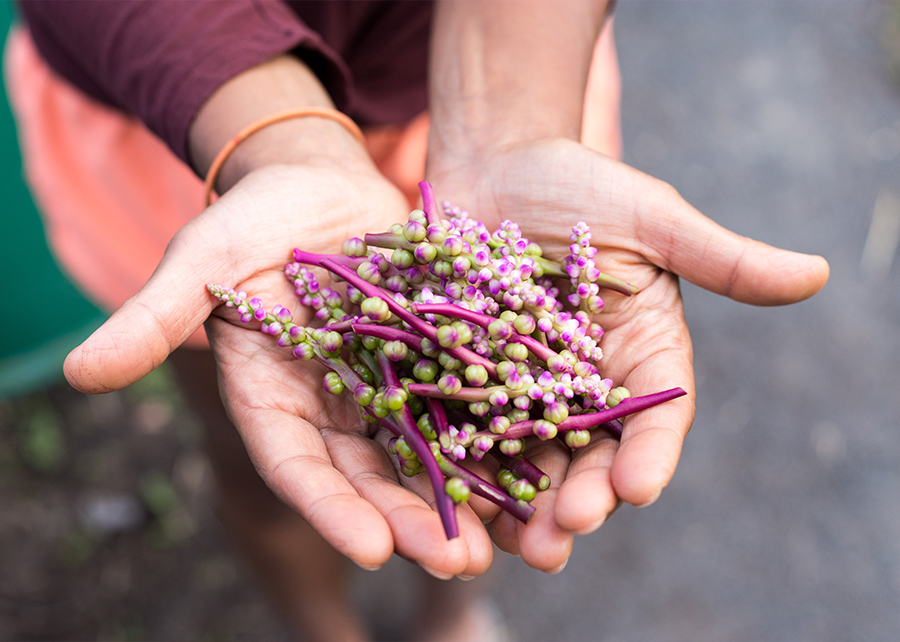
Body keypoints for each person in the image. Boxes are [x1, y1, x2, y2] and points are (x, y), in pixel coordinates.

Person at [7, 1, 829, 639]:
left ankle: (447, 618)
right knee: (255, 449)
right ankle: (326, 631)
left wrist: (512, 116)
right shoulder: (328, 312)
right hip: (185, 117)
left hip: (507, 85)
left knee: (497, 508)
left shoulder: (494, 275)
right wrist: (274, 134)